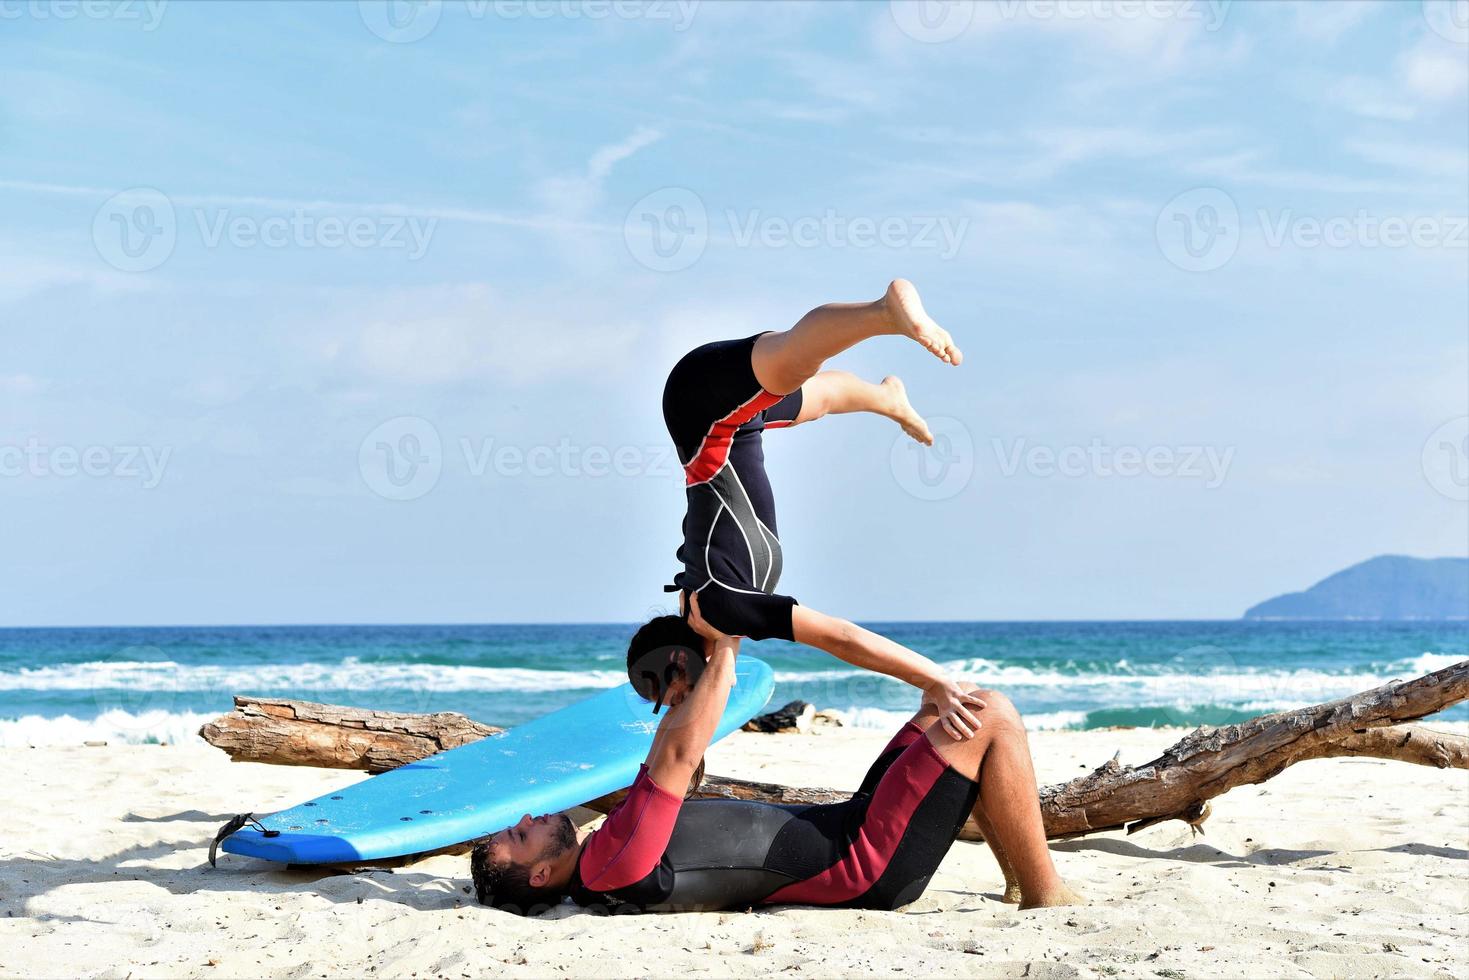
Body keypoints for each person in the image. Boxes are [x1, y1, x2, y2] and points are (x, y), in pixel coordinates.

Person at [473, 596, 1081, 916]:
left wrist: (693, 643)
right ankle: (1044, 890)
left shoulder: (612, 847)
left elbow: (667, 749)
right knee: (990, 713)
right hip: (864, 862)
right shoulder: (614, 867)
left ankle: (1013, 878)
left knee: (948, 706)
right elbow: (681, 755)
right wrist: (727, 640)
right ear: (541, 875)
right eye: (520, 838)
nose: (527, 819)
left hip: (851, 821)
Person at [626, 279, 981, 739]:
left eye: (677, 696)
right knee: (820, 399)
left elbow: (841, 638)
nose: (688, 701)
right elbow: (718, 656)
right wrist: (722, 656)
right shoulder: (705, 604)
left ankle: (884, 311)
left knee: (792, 358)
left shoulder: (721, 607)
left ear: (678, 659)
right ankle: (887, 397)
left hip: (702, 408)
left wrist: (935, 681)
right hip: (729, 422)